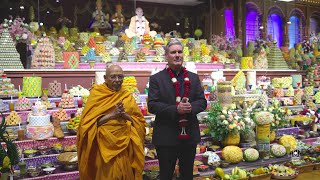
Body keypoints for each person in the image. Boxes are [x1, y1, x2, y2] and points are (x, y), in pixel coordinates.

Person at [147, 39, 207, 180]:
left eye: (180, 52)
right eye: (173, 52)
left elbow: (202, 101)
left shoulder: (193, 77)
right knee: (166, 175)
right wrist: (176, 109)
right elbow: (152, 105)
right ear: (166, 56)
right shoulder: (157, 79)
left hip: (189, 136)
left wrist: (191, 107)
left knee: (187, 175)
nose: (177, 55)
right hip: (166, 136)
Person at [77, 64, 146, 180]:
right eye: (113, 77)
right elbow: (87, 124)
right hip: (104, 144)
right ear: (105, 78)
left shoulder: (127, 95)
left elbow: (139, 122)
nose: (117, 80)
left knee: (125, 173)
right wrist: (112, 115)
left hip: (125, 144)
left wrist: (125, 116)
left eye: (120, 77)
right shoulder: (97, 94)